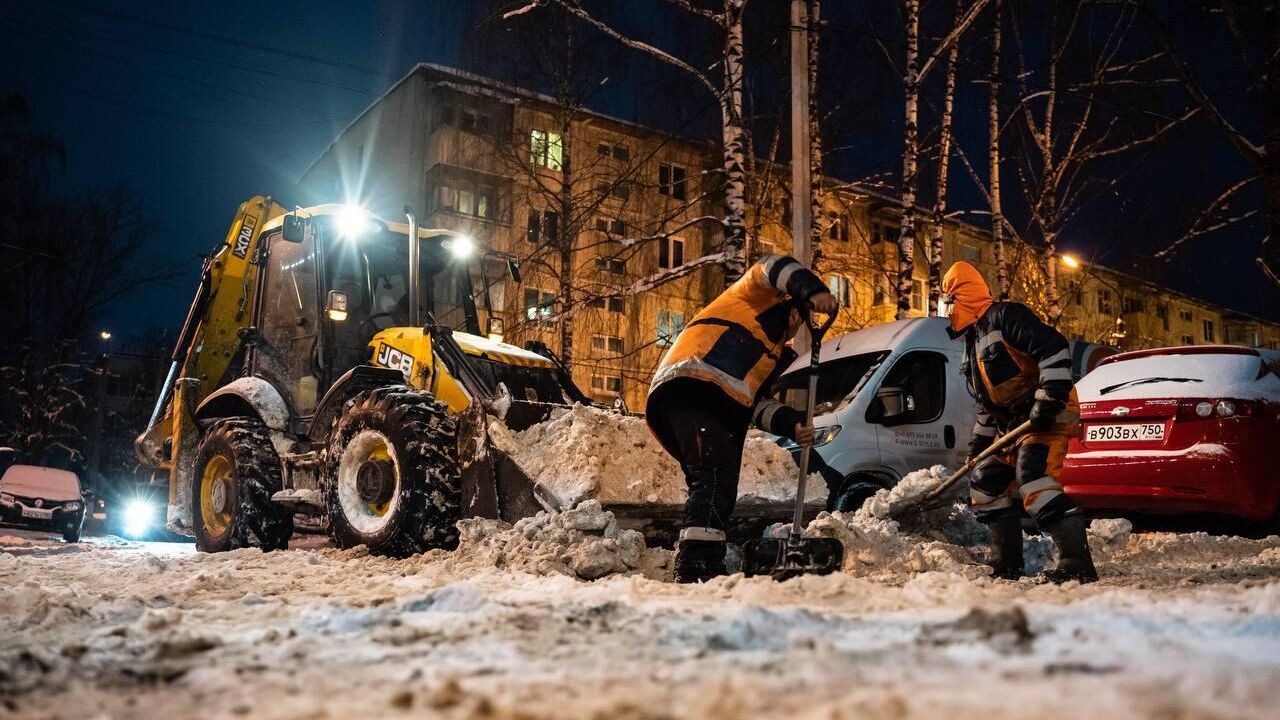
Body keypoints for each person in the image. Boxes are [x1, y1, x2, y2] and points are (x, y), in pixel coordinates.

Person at [647, 255, 839, 583]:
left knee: (718, 483)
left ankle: (706, 560)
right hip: (691, 386)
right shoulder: (751, 295)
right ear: (792, 306)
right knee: (712, 474)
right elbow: (773, 266)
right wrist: (813, 289)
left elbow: (758, 406)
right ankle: (695, 567)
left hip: (720, 407)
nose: (795, 329)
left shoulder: (773, 353)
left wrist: (792, 424)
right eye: (798, 317)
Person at [941, 261, 1098, 583]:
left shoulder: (1005, 317)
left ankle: (1076, 563)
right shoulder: (972, 345)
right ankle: (1008, 564)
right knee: (986, 483)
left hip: (1047, 415)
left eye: (950, 303)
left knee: (1034, 478)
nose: (948, 312)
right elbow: (988, 406)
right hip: (1013, 425)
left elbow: (1053, 349)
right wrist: (978, 449)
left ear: (963, 298)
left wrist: (1048, 399)